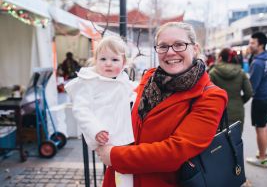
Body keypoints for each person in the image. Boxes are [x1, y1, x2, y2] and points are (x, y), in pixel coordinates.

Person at [96, 22, 228, 187]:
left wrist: (115, 156)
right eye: (163, 46)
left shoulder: (211, 96)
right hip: (121, 179)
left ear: (195, 48)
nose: (170, 52)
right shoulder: (149, 78)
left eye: (179, 45)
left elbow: (175, 152)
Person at [65, 36, 135, 187]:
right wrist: (96, 130)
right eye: (103, 59)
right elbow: (81, 109)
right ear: (95, 60)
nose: (108, 63)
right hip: (106, 136)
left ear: (124, 63)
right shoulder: (89, 82)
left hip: (126, 136)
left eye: (115, 60)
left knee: (126, 173)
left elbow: (132, 93)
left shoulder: (122, 79)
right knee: (121, 175)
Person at [246, 32, 267, 168]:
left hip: (262, 98)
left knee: (260, 128)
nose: (250, 45)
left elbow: (252, 86)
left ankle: (262, 158)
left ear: (261, 45)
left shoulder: (258, 63)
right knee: (264, 126)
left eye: (252, 43)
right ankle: (263, 153)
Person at [209, 48, 252, 132]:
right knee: (235, 140)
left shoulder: (213, 72)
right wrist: (239, 101)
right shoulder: (241, 72)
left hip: (218, 112)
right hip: (237, 111)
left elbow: (207, 94)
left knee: (219, 141)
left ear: (220, 58)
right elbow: (249, 92)